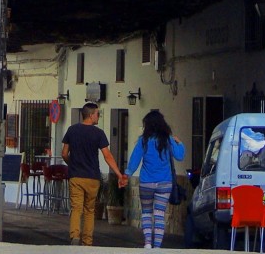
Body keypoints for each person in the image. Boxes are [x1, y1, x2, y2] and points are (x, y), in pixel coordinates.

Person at [62, 102, 126, 246]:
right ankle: (87, 241)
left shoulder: (72, 130)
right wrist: (119, 174)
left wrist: (72, 164)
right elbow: (107, 155)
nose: (99, 116)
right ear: (91, 115)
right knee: (89, 210)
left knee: (76, 208)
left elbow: (64, 153)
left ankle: (75, 236)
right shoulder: (99, 133)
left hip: (76, 176)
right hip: (92, 177)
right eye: (98, 113)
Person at [122, 109, 185, 250]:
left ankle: (148, 244)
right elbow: (180, 156)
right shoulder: (168, 139)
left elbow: (134, 160)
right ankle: (157, 247)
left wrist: (127, 174)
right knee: (159, 214)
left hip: (146, 183)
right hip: (164, 183)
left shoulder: (143, 140)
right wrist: (180, 143)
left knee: (146, 213)